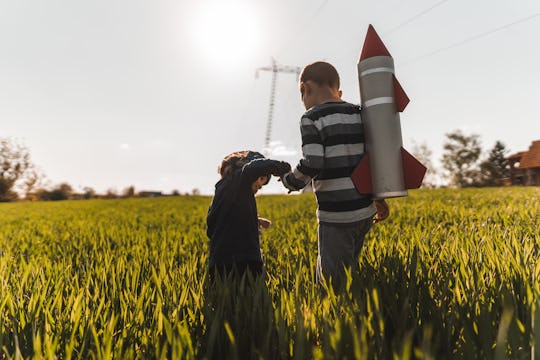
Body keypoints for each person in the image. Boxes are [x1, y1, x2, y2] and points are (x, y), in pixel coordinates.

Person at [281, 61, 389, 286]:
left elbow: (313, 162)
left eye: (302, 96)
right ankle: (353, 304)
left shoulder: (311, 118)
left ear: (306, 89)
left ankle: (332, 314)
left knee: (331, 281)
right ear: (337, 89)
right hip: (364, 210)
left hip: (336, 214)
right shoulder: (358, 113)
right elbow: (372, 158)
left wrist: (291, 181)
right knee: (349, 268)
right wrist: (379, 197)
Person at [206, 150, 291, 280]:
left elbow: (212, 227)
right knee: (251, 298)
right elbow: (253, 168)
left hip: (218, 264)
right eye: (262, 179)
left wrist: (251, 221)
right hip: (244, 263)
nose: (261, 185)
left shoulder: (222, 191)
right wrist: (283, 168)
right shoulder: (239, 180)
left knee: (227, 298)